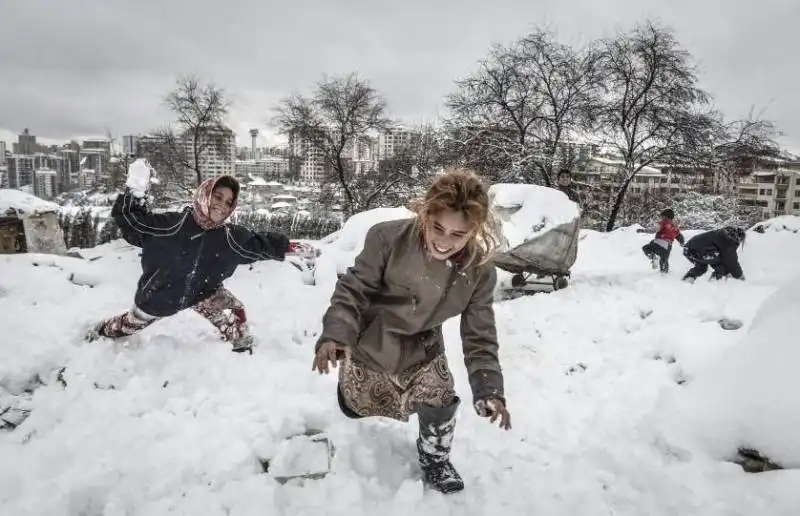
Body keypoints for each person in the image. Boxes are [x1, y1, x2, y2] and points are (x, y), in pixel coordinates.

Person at [312, 168, 511, 494]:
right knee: (358, 405)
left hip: (424, 345)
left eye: (458, 234)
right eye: (437, 228)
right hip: (373, 339)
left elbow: (479, 334)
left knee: (441, 397)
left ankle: (435, 459)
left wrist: (489, 388)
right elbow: (353, 290)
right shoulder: (386, 238)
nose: (444, 242)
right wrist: (337, 334)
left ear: (474, 230)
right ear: (425, 212)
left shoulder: (479, 271)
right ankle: (349, 396)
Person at [86, 161, 291, 353]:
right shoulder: (172, 225)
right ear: (205, 194)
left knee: (234, 310)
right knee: (126, 326)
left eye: (229, 202)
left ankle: (239, 341)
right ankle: (99, 331)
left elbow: (258, 244)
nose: (222, 205)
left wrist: (289, 247)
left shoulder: (229, 237)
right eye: (217, 197)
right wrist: (135, 189)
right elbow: (132, 221)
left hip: (202, 293)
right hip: (159, 299)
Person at [681, 226, 746, 282]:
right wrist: (739, 275)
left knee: (701, 267)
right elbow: (731, 261)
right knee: (721, 267)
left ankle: (687, 280)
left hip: (689, 249)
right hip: (697, 251)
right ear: (739, 237)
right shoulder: (729, 240)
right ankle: (714, 283)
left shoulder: (722, 234)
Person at [642, 208, 685, 273]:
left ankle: (653, 257)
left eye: (662, 217)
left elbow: (654, 229)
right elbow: (680, 237)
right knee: (664, 261)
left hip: (659, 243)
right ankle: (664, 274)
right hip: (668, 246)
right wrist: (682, 244)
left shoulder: (663, 223)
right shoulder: (675, 228)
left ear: (665, 216)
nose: (661, 218)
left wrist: (644, 230)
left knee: (646, 248)